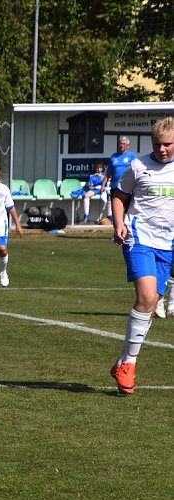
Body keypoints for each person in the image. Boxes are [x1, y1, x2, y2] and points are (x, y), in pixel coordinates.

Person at [110, 117, 174, 395]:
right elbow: (118, 195)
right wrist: (118, 223)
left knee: (149, 307)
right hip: (140, 238)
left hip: (167, 244)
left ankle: (122, 362)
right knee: (147, 298)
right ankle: (130, 365)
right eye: (158, 144)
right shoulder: (137, 166)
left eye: (168, 144)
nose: (162, 149)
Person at [100, 136, 138, 223]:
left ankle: (128, 232)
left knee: (129, 210)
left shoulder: (132, 156)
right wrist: (103, 185)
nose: (121, 145)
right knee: (116, 211)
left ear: (127, 145)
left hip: (128, 187)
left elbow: (136, 170)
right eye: (120, 144)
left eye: (123, 144)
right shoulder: (113, 157)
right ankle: (116, 233)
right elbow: (109, 172)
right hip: (115, 187)